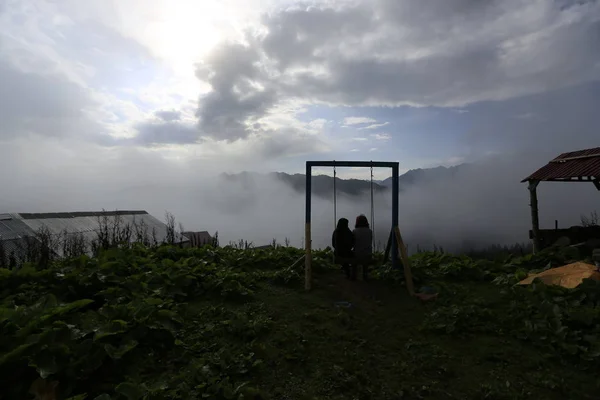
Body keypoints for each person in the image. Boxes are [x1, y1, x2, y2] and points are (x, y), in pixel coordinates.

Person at [353, 214, 373, 281]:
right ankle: (365, 275)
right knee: (365, 255)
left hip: (357, 254)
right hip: (367, 255)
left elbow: (353, 243)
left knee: (354, 255)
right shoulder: (370, 231)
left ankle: (353, 275)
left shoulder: (354, 231)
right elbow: (370, 241)